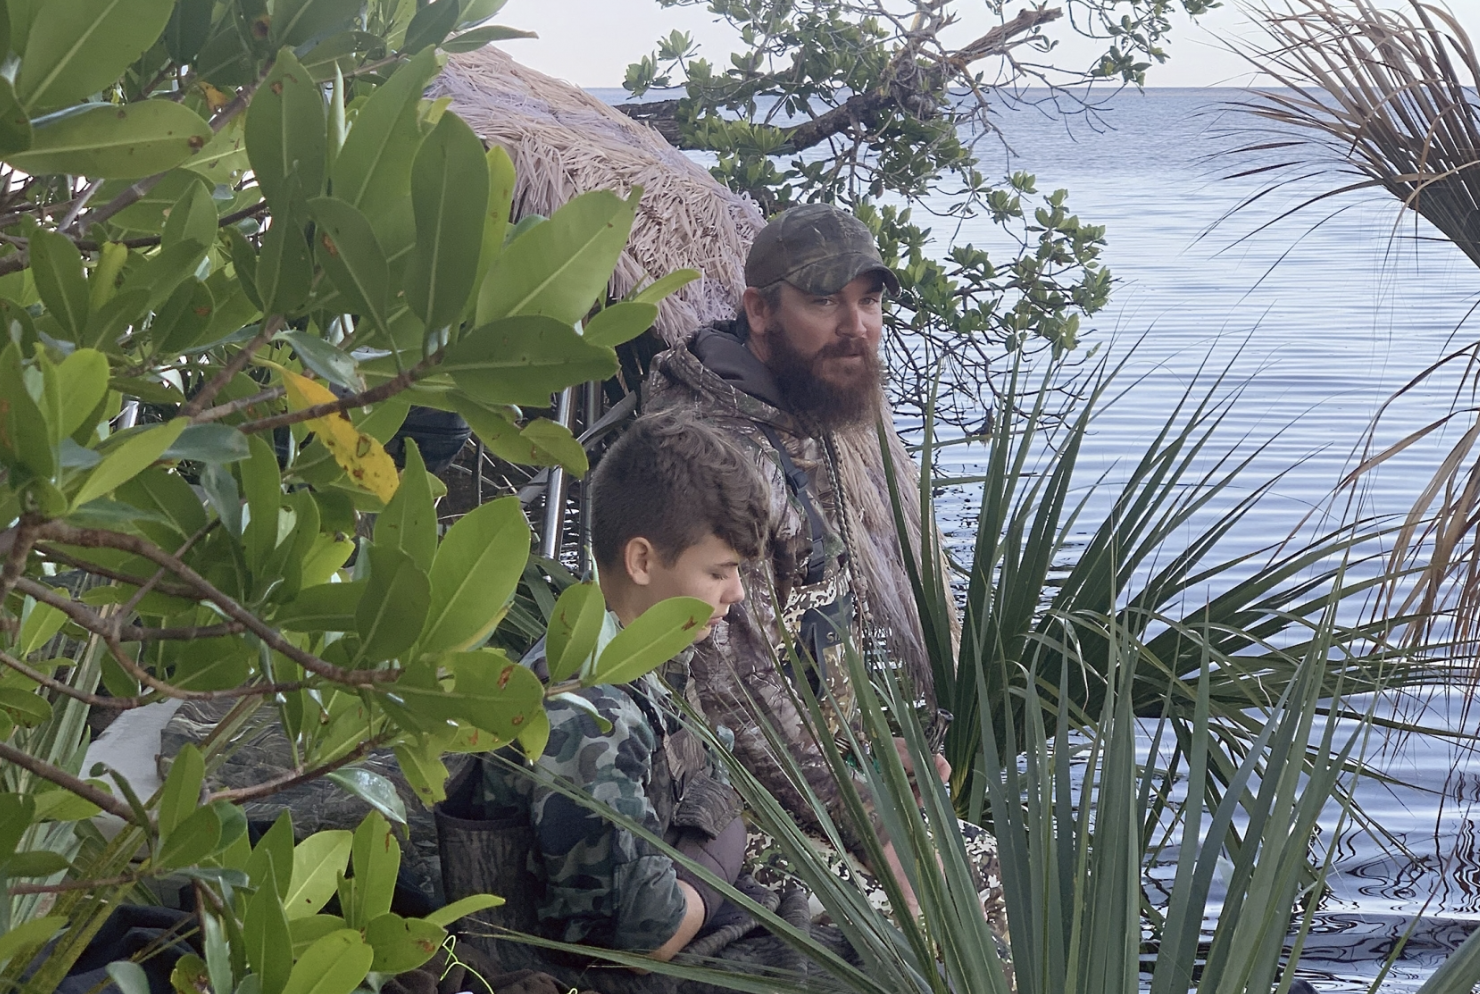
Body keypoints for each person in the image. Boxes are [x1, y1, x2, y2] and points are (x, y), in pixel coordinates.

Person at [644, 205, 1009, 947]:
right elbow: (736, 698)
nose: (856, 325)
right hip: (726, 815)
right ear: (759, 310)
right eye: (822, 300)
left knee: (1015, 883)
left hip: (820, 784)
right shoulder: (718, 456)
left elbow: (808, 630)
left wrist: (872, 747)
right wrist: (874, 824)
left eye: (868, 300)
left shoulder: (792, 416)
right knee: (941, 932)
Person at [436, 411, 850, 994]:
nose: (734, 593)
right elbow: (646, 941)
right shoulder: (589, 718)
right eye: (719, 571)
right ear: (642, 561)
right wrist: (714, 862)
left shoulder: (622, 652)